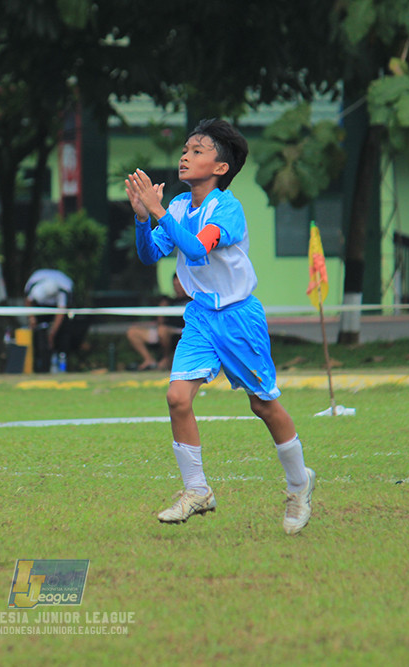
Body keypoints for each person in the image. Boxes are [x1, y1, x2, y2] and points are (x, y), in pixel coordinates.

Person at [125, 118, 315, 535]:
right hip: (200, 317)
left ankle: (300, 484)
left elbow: (194, 251)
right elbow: (149, 254)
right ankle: (197, 491)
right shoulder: (177, 206)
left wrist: (156, 210)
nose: (185, 155)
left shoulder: (226, 207)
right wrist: (143, 218)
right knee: (177, 397)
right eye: (185, 148)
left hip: (238, 317)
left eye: (197, 150)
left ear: (220, 168)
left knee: (262, 404)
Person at [126, 273, 189, 370]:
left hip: (184, 331)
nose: (178, 288)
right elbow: (160, 322)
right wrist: (162, 309)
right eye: (175, 285)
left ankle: (166, 359)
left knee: (162, 330)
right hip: (163, 331)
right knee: (133, 332)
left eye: (180, 285)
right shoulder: (168, 301)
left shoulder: (193, 300)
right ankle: (149, 360)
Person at [24, 268, 75, 372]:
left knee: (63, 333)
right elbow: (28, 302)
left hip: (59, 309)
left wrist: (52, 333)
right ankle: (40, 365)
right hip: (40, 309)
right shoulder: (33, 286)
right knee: (38, 334)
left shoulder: (64, 290)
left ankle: (61, 363)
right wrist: (32, 318)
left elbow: (60, 313)